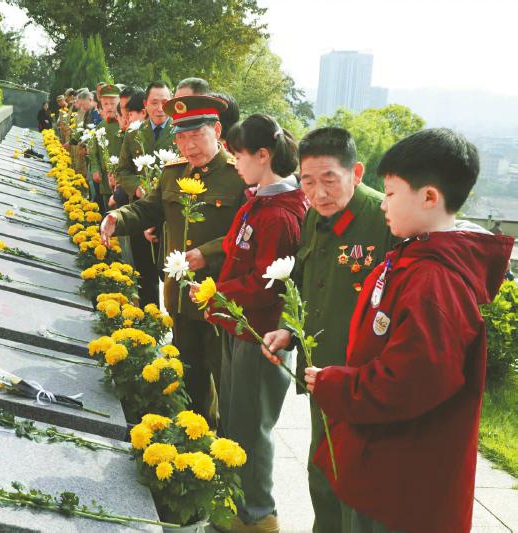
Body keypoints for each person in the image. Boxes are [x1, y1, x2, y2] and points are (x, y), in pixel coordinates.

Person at [306, 129, 514, 533]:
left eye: (390, 193)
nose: (383, 204)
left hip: (402, 479)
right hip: (383, 461)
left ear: (429, 197)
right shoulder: (415, 255)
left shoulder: (436, 282)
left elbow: (408, 381)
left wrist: (337, 385)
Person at [261, 127, 398, 533]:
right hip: (322, 373)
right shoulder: (312, 216)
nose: (318, 193)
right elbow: (304, 280)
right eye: (308, 181)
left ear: (356, 172)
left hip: (363, 381)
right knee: (322, 469)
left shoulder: (384, 220)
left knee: (354, 480)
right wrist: (288, 329)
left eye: (329, 180)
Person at [102, 94, 247, 420]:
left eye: (196, 135)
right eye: (181, 137)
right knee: (190, 380)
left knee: (227, 386)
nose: (188, 146)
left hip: (220, 299)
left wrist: (207, 254)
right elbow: (147, 209)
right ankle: (195, 438)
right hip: (181, 298)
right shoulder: (173, 173)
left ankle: (222, 440)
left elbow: (247, 235)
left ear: (217, 131)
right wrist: (117, 218)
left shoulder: (239, 176)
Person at [199, 114, 308, 533]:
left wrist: (218, 294)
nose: (234, 163)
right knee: (233, 421)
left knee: (251, 427)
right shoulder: (258, 201)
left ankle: (258, 514)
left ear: (263, 155)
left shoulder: (280, 213)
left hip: (262, 335)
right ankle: (237, 504)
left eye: (239, 155)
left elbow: (268, 285)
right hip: (239, 327)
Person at [114, 82, 177, 307]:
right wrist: (137, 187)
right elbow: (122, 171)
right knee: (144, 272)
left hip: (169, 215)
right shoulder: (134, 133)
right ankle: (149, 318)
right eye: (154, 102)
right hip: (140, 211)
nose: (160, 108)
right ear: (145, 104)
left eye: (165, 102)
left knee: (170, 276)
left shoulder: (179, 133)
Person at [89, 84, 123, 212]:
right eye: (106, 104)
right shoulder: (100, 126)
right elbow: (93, 152)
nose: (109, 107)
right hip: (105, 181)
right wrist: (95, 169)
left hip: (122, 183)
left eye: (113, 103)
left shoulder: (125, 125)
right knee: (107, 212)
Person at [111, 90, 147, 209]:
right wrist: (136, 187)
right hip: (136, 199)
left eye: (130, 115)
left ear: (143, 112)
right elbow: (123, 170)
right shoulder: (131, 134)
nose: (128, 119)